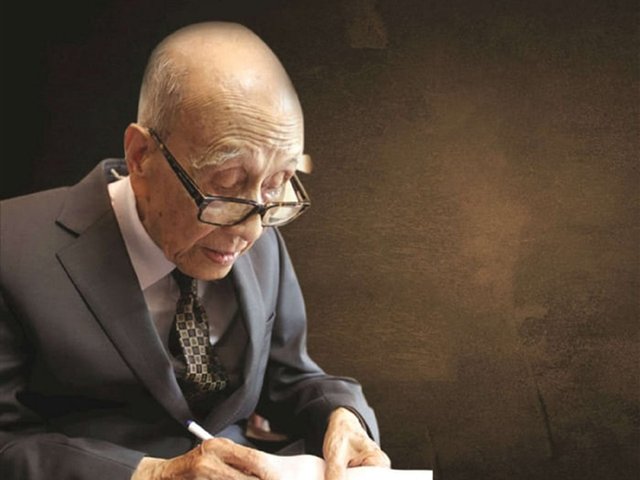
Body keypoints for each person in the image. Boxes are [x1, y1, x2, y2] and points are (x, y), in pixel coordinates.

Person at [0, 22, 390, 480]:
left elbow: (290, 376)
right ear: (141, 155)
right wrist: (155, 474)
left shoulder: (258, 222)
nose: (251, 231)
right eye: (225, 185)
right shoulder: (11, 247)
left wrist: (342, 414)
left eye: (277, 182)